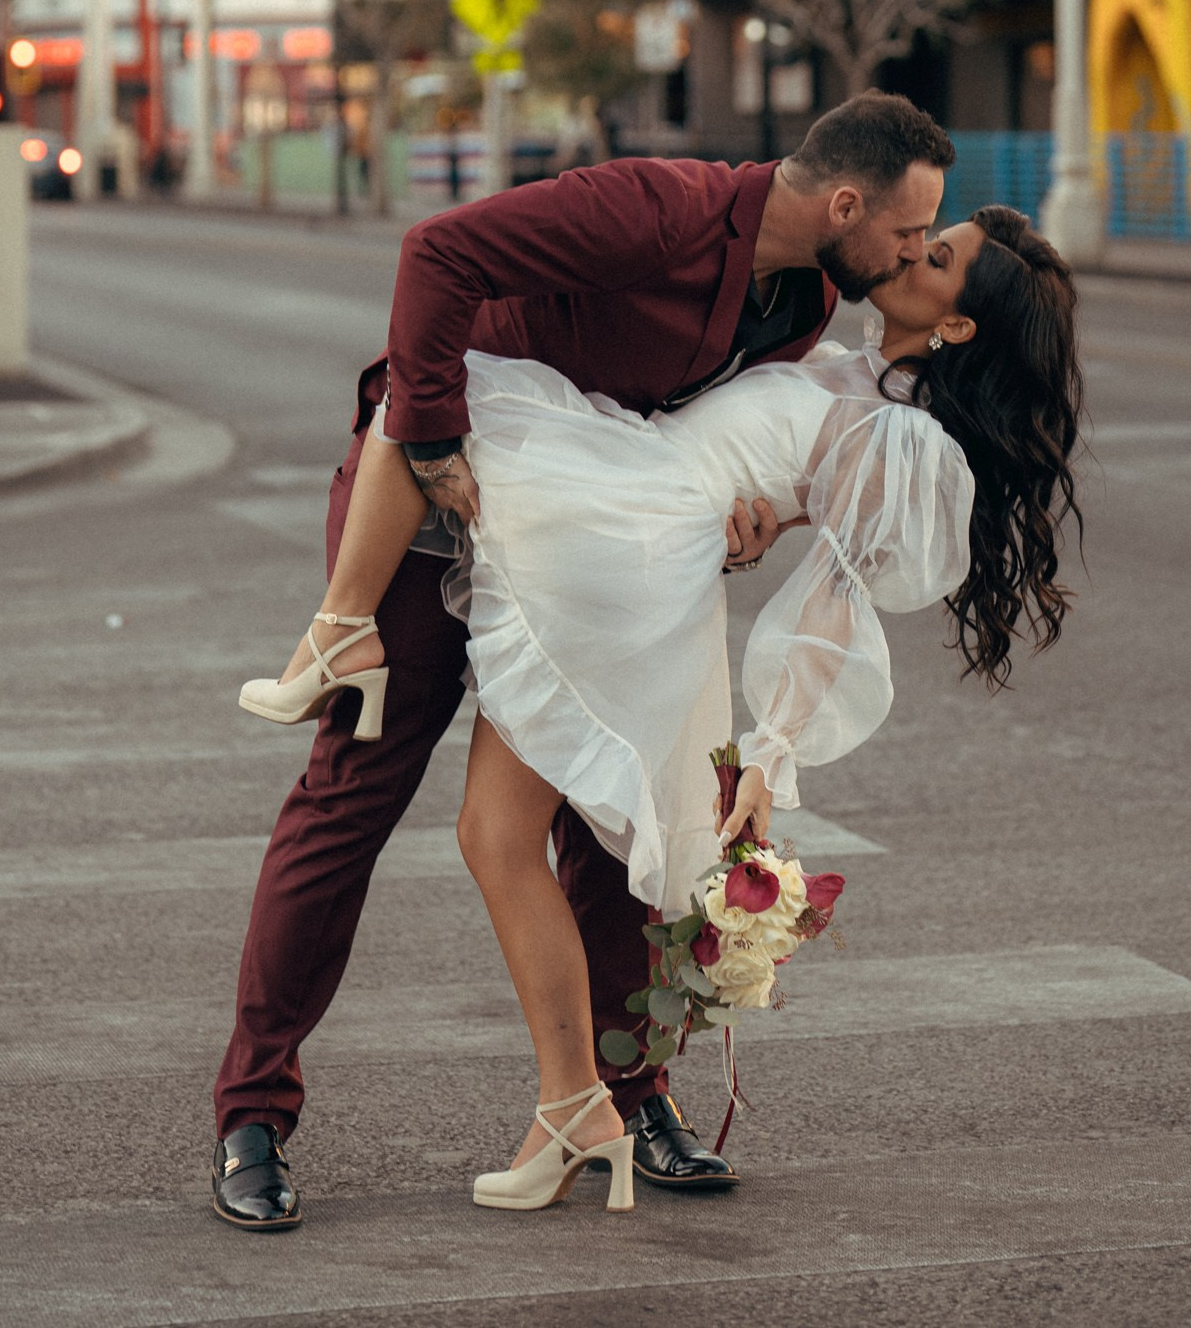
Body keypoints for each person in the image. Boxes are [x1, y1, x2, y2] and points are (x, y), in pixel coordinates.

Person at [210, 90, 956, 1231]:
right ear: (845, 203)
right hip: (439, 509)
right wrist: (431, 428)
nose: (909, 253)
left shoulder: (802, 301)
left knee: (612, 822)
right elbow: (437, 255)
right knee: (355, 792)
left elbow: (686, 436)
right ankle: (252, 1115)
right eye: (907, 233)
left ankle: (622, 1095)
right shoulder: (661, 207)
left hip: (587, 559)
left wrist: (747, 515)